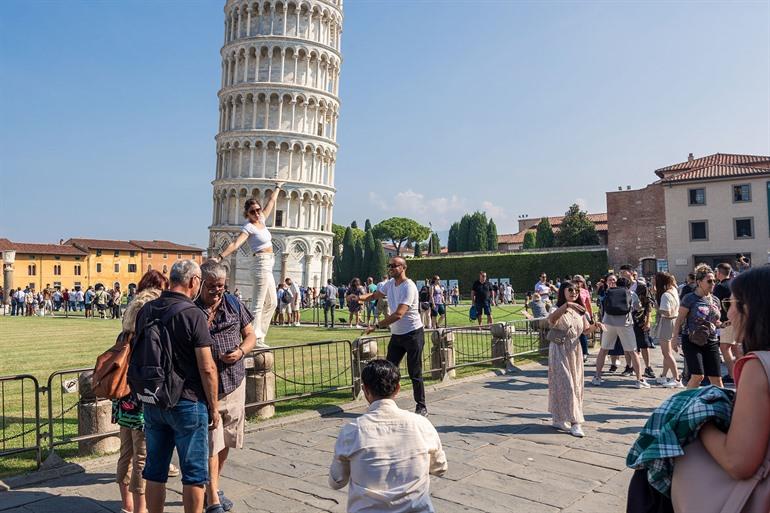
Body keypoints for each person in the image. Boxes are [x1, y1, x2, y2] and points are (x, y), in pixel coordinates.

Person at [136, 260, 220, 513]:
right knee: (194, 473)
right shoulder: (193, 314)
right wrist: (214, 407)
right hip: (188, 400)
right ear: (194, 281)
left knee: (155, 470)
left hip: (154, 398)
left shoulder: (147, 310)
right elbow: (207, 367)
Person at [328, 359, 447, 512]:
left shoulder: (352, 431)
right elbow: (440, 468)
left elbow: (336, 481)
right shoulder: (422, 424)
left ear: (365, 390)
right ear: (398, 388)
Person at [697, 267, 770, 482]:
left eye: (731, 304)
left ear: (752, 309)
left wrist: (700, 423)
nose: (728, 313)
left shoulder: (758, 367)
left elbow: (737, 462)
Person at [196, 261, 256, 513]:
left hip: (234, 382)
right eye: (211, 286)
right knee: (212, 441)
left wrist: (241, 351)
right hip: (205, 387)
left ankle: (214, 485)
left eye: (220, 286)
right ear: (200, 283)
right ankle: (212, 499)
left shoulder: (233, 304)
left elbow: (251, 335)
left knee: (227, 439)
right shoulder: (192, 309)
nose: (216, 291)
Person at [113, 270, 170, 513]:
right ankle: (140, 509)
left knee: (125, 453)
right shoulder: (149, 333)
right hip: (142, 398)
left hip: (124, 397)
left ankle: (127, 506)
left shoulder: (125, 331)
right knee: (142, 456)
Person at [212, 186, 283, 348]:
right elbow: (236, 244)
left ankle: (260, 336)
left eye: (258, 210)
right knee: (258, 303)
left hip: (269, 263)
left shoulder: (262, 220)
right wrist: (220, 257)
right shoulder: (248, 227)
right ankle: (254, 339)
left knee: (272, 302)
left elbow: (271, 202)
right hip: (260, 263)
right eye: (252, 212)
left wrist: (278, 187)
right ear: (247, 214)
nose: (256, 213)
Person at [360, 257, 427, 415]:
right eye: (389, 266)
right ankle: (384, 405)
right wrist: (359, 298)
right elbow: (375, 295)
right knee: (388, 372)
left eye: (394, 266)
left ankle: (421, 405)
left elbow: (399, 314)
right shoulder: (390, 283)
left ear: (403, 267)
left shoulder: (409, 287)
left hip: (413, 333)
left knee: (414, 372)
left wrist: (376, 326)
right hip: (397, 335)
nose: (390, 268)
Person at [547, 282, 592, 438]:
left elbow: (585, 330)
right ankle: (575, 422)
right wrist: (566, 306)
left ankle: (558, 418)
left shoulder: (580, 311)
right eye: (570, 290)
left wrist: (597, 326)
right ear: (563, 292)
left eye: (577, 290)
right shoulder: (557, 308)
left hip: (575, 350)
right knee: (566, 384)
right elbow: (551, 320)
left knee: (576, 385)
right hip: (559, 350)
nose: (574, 292)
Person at [592, 276, 650, 389]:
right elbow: (638, 307)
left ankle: (597, 377)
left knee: (603, 350)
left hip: (608, 323)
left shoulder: (609, 292)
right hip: (625, 324)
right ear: (628, 286)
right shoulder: (631, 293)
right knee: (633, 352)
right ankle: (640, 379)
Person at [672, 264, 723, 389]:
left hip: (711, 340)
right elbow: (680, 319)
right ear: (699, 282)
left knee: (716, 378)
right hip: (692, 340)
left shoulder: (715, 300)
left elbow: (715, 321)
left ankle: (722, 400)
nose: (713, 283)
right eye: (709, 281)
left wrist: (722, 324)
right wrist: (674, 338)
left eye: (714, 281)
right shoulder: (690, 298)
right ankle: (687, 399)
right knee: (698, 376)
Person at [652, 272, 683, 388]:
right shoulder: (673, 290)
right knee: (667, 353)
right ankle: (664, 375)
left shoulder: (665, 295)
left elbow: (667, 312)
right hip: (674, 321)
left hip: (667, 321)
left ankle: (676, 378)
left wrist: (657, 308)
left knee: (667, 353)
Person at [714, 262, 741, 385]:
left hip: (727, 321)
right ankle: (741, 372)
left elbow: (715, 303)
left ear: (719, 273)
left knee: (725, 347)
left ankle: (732, 375)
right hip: (737, 319)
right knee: (734, 347)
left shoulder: (720, 287)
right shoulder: (735, 284)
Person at [572, 275, 593, 363]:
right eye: (575, 281)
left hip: (582, 313)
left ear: (583, 282)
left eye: (579, 281)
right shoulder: (570, 290)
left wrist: (591, 316)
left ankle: (584, 352)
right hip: (572, 313)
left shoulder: (585, 291)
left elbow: (588, 304)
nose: (577, 283)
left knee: (582, 333)